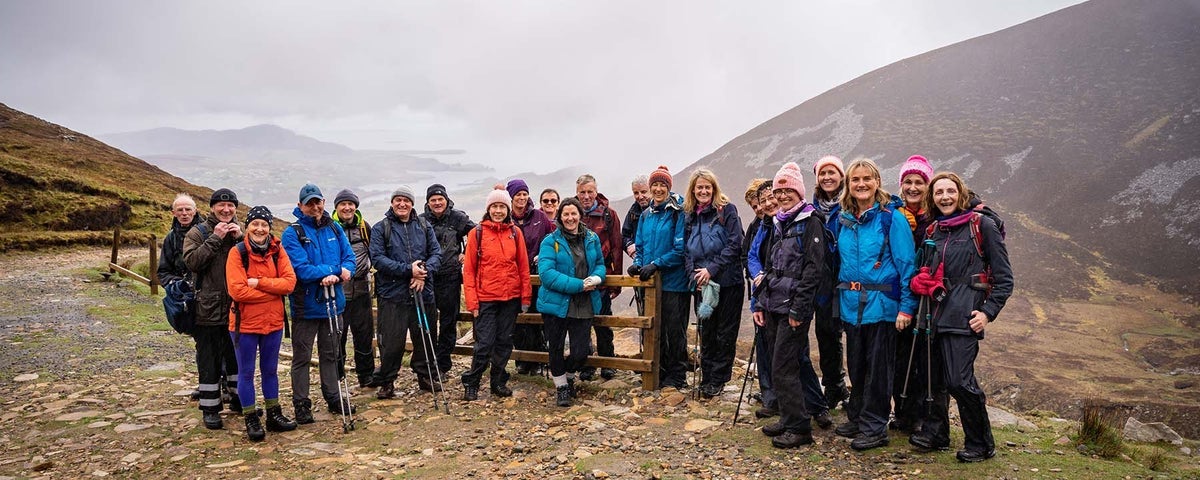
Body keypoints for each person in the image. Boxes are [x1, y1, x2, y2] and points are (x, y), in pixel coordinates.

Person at [908, 172, 1012, 463]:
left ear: (961, 194)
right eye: (939, 192)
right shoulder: (934, 231)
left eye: (950, 191)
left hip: (964, 316)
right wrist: (921, 281)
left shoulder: (982, 226)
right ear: (932, 198)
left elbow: (1005, 279)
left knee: (958, 380)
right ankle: (936, 433)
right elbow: (926, 271)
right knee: (933, 379)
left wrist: (988, 313)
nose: (945, 197)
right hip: (932, 314)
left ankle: (980, 443)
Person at [832, 158, 917, 451]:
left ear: (877, 181)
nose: (861, 184)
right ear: (849, 184)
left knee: (879, 370)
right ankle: (857, 417)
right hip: (851, 306)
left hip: (883, 307)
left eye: (867, 178)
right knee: (856, 366)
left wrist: (907, 307)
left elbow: (907, 265)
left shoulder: (891, 219)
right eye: (855, 179)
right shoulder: (844, 218)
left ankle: (875, 427)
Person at [752, 162, 834, 448]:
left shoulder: (810, 223)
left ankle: (800, 428)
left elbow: (813, 271)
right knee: (780, 366)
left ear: (799, 192)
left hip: (792, 309)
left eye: (788, 190)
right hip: (774, 305)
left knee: (784, 367)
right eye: (779, 190)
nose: (783, 195)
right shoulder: (781, 223)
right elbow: (770, 268)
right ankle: (789, 419)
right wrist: (760, 303)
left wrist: (800, 310)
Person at [282, 183, 358, 423]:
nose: (315, 207)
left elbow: (350, 258)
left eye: (318, 202)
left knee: (332, 353)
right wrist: (334, 271)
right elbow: (301, 269)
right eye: (309, 203)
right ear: (300, 206)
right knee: (302, 356)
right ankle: (301, 403)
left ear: (324, 202)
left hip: (334, 302)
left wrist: (344, 270)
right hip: (306, 306)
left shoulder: (334, 228)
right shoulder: (292, 233)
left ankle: (333, 396)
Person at [224, 206, 298, 441]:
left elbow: (289, 283)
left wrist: (259, 282)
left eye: (264, 224)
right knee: (246, 373)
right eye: (255, 224)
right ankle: (251, 419)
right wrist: (272, 291)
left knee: (270, 371)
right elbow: (237, 291)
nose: (259, 228)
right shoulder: (237, 253)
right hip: (244, 325)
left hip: (273, 322)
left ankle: (273, 415)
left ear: (269, 227)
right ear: (248, 227)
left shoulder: (278, 250)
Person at [368, 185, 444, 398]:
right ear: (392, 203)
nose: (402, 204)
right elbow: (378, 259)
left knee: (425, 337)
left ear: (412, 203)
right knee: (392, 341)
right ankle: (387, 380)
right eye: (398, 200)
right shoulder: (380, 228)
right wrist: (408, 270)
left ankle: (425, 375)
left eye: (406, 200)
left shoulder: (423, 225)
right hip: (393, 295)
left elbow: (436, 253)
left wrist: (422, 272)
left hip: (423, 291)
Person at [462, 186, 532, 400]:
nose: (499, 211)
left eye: (502, 206)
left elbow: (523, 266)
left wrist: (525, 297)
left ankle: (497, 381)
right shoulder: (477, 233)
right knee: (484, 344)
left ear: (508, 209)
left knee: (504, 342)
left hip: (510, 298)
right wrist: (472, 303)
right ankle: (472, 381)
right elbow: (469, 270)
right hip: (486, 299)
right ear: (488, 209)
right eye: (495, 206)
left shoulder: (514, 232)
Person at [182, 188, 243, 430]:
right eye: (221, 206)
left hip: (236, 308)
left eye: (230, 206)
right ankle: (210, 408)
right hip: (206, 308)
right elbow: (192, 262)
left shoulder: (240, 233)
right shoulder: (198, 232)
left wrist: (240, 240)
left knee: (236, 356)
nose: (226, 210)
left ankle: (239, 399)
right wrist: (216, 238)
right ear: (212, 208)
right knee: (209, 359)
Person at [682, 168, 744, 398]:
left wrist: (711, 270)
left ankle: (718, 380)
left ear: (714, 188)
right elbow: (686, 251)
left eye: (708, 187)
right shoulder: (690, 215)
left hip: (728, 282)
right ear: (693, 190)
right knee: (706, 332)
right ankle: (706, 377)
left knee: (724, 333)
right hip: (702, 283)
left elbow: (734, 243)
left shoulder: (726, 210)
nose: (704, 191)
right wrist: (694, 275)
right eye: (699, 187)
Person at [537, 197, 605, 407]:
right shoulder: (550, 241)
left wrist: (597, 277)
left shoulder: (592, 238)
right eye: (565, 214)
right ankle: (562, 388)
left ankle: (567, 376)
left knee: (580, 351)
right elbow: (546, 274)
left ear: (579, 215)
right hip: (556, 303)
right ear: (560, 217)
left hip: (584, 303)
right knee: (555, 347)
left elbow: (600, 264)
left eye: (573, 213)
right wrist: (579, 285)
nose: (570, 218)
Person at [628, 166, 689, 389]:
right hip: (651, 283)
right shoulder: (645, 215)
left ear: (668, 187)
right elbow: (641, 245)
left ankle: (678, 375)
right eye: (655, 184)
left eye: (663, 185)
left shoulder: (678, 211)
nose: (658, 188)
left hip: (674, 282)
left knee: (674, 330)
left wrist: (656, 264)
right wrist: (637, 264)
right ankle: (659, 372)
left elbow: (680, 249)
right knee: (655, 329)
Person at [890, 155, 936, 434]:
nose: (913, 187)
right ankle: (903, 413)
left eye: (919, 182)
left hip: (930, 297)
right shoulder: (896, 213)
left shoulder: (936, 216)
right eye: (908, 181)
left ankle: (922, 415)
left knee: (924, 358)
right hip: (902, 295)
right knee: (900, 355)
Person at [420, 184, 476, 380]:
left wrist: (466, 253)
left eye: (440, 199)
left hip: (450, 277)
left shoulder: (457, 218)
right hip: (427, 277)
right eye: (433, 200)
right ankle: (429, 363)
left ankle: (442, 365)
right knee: (428, 322)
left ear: (446, 200)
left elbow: (477, 232)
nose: (437, 202)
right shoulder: (421, 220)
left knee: (448, 322)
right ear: (428, 202)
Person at [810, 155, 850, 409]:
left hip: (848, 278)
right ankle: (834, 386)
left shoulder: (851, 204)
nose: (827, 177)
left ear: (841, 176)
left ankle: (856, 393)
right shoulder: (812, 209)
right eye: (822, 173)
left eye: (831, 172)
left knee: (856, 336)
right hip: (824, 282)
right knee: (826, 332)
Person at [574, 174, 623, 381]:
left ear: (596, 191)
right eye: (582, 192)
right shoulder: (570, 213)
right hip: (577, 281)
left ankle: (607, 363)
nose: (586, 196)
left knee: (603, 324)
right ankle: (586, 365)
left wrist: (616, 282)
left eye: (590, 192)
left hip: (601, 279)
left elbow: (617, 248)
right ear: (577, 193)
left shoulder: (609, 215)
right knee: (581, 325)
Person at [157, 193, 205, 399]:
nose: (184, 213)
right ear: (173, 213)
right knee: (201, 342)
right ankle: (207, 383)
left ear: (195, 211)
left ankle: (224, 383)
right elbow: (163, 271)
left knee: (222, 341)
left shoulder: (206, 232)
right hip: (188, 300)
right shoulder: (171, 238)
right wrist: (175, 286)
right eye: (180, 210)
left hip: (209, 295)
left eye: (188, 209)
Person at [507, 179, 553, 376]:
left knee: (535, 316)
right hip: (511, 277)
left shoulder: (539, 217)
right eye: (518, 194)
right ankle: (522, 360)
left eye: (525, 193)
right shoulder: (505, 218)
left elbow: (552, 238)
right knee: (516, 319)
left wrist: (542, 255)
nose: (522, 197)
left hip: (535, 276)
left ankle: (535, 360)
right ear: (511, 196)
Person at [331, 189, 376, 389]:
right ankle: (337, 377)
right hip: (337, 292)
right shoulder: (329, 228)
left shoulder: (364, 227)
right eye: (343, 204)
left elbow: (374, 253)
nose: (347, 208)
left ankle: (366, 376)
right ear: (336, 207)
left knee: (364, 335)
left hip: (361, 290)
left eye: (351, 204)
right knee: (337, 336)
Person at [744, 180, 779, 418]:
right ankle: (770, 396)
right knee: (765, 350)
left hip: (778, 295)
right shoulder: (756, 227)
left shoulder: (774, 223)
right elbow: (748, 256)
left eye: (762, 202)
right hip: (761, 295)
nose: (759, 207)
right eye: (754, 204)